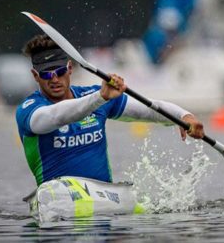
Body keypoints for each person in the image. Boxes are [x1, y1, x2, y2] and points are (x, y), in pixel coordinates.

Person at [16, 34, 205, 186]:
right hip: (55, 198)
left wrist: (184, 116)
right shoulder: (29, 110)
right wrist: (100, 98)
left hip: (104, 199)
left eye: (59, 72)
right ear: (35, 75)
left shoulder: (94, 95)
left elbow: (149, 110)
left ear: (70, 68)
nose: (54, 79)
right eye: (46, 74)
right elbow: (56, 116)